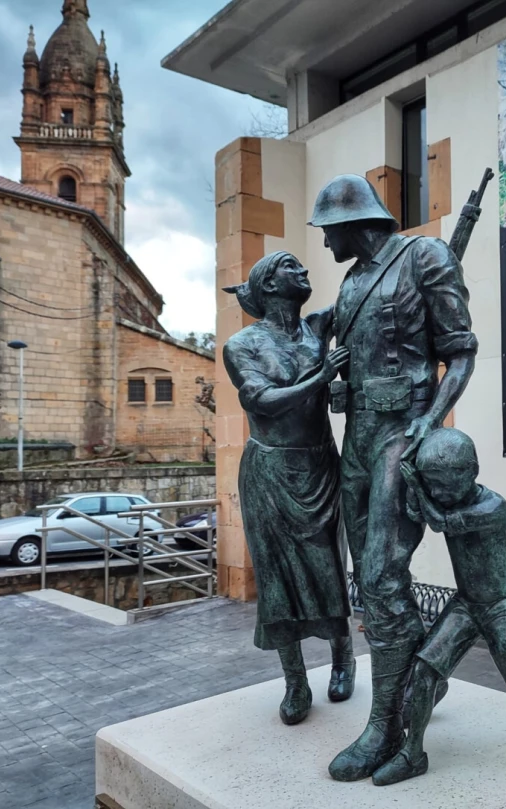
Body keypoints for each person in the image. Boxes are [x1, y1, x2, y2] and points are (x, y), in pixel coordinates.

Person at [308, 175, 478, 781]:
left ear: (354, 221)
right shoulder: (352, 279)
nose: (324, 241)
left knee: (380, 575)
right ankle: (413, 684)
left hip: (403, 433)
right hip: (356, 436)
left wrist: (430, 421)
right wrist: (336, 385)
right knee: (373, 579)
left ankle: (387, 726)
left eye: (328, 229)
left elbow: (460, 351)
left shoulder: (424, 256)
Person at [373, 428, 506, 786]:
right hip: (466, 603)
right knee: (425, 669)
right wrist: (413, 483)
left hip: (499, 605)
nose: (440, 494)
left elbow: (441, 522)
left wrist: (416, 483)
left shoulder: (493, 507)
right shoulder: (442, 498)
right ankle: (413, 755)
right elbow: (421, 512)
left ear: (472, 471)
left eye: (446, 486)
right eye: (435, 486)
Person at [221, 250, 355, 726]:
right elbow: (261, 400)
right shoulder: (243, 345)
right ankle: (295, 680)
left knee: (330, 566)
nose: (303, 271)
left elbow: (370, 299)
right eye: (289, 266)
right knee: (277, 580)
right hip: (271, 472)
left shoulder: (319, 326)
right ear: (269, 284)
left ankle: (344, 656)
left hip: (320, 466)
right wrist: (322, 377)